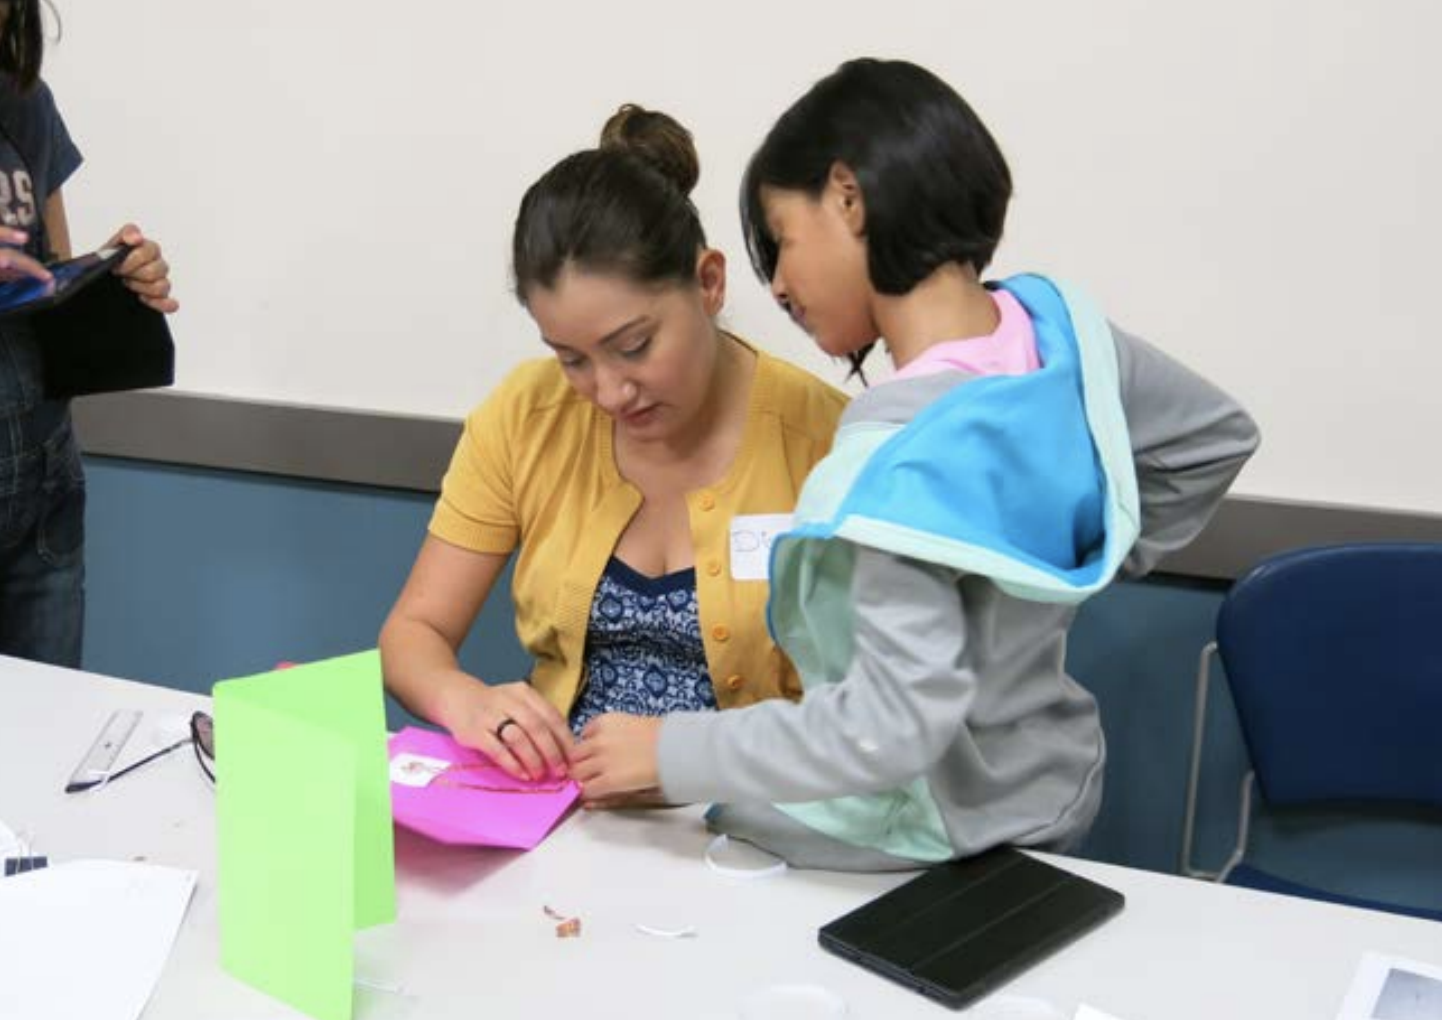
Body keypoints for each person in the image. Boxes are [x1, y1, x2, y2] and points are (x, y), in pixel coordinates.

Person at [571, 58, 1260, 869]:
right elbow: (1214, 438)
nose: (782, 283)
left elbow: (882, 728)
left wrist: (671, 752)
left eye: (783, 241)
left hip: (929, 834)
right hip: (1050, 791)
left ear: (848, 197)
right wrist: (1052, 569)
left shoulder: (891, 461)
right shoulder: (1057, 339)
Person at [379, 105, 848, 786]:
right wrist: (467, 701)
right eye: (571, 358)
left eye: (634, 347)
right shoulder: (527, 415)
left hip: (761, 826)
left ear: (709, 283)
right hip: (562, 817)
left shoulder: (826, 440)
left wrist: (692, 764)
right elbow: (412, 634)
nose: (609, 392)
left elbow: (875, 719)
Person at [0, 0, 178, 667]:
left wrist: (115, 274)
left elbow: (48, 287)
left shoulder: (26, 101)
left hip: (41, 489)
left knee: (41, 746)